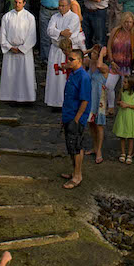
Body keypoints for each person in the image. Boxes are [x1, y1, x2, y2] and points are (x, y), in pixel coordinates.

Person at [0, 0, 37, 104]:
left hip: (24, 50)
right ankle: (10, 97)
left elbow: (32, 35)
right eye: (15, 2)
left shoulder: (29, 17)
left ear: (24, 3)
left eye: (20, 2)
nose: (17, 4)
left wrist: (22, 48)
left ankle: (26, 98)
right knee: (11, 74)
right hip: (10, 50)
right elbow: (3, 33)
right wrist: (9, 47)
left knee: (25, 74)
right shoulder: (7, 16)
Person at [60, 51, 91, 190]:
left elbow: (85, 100)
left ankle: (77, 175)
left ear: (79, 60)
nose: (68, 61)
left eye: (71, 59)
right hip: (68, 114)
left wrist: (77, 119)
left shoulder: (83, 77)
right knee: (71, 146)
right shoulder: (73, 74)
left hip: (75, 117)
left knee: (76, 146)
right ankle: (74, 171)